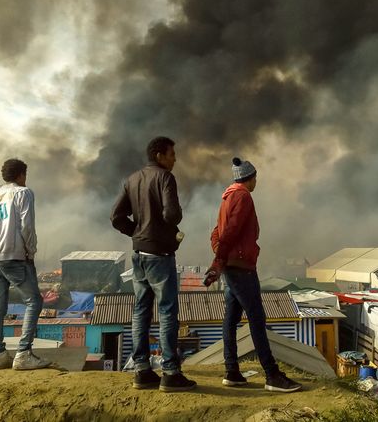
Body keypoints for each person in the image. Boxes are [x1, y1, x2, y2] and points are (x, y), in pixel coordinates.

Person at [204, 157, 302, 393]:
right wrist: (219, 260)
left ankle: (232, 372)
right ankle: (272, 375)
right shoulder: (243, 196)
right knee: (257, 318)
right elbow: (230, 231)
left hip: (231, 265)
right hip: (241, 267)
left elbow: (217, 232)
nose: (256, 181)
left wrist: (219, 256)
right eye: (255, 177)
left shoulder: (227, 197)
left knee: (231, 318)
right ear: (250, 178)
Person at [111, 136, 195, 392]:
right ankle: (170, 372)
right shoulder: (165, 178)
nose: (175, 159)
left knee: (141, 311)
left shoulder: (132, 179)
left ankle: (142, 371)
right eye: (171, 154)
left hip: (139, 254)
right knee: (168, 311)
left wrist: (137, 232)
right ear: (159, 155)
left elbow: (116, 217)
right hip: (160, 256)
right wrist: (172, 222)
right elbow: (171, 214)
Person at [0, 158, 51, 371]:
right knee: (34, 301)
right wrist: (30, 252)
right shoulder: (24, 193)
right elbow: (27, 227)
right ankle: (23, 353)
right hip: (14, 256)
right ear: (21, 175)